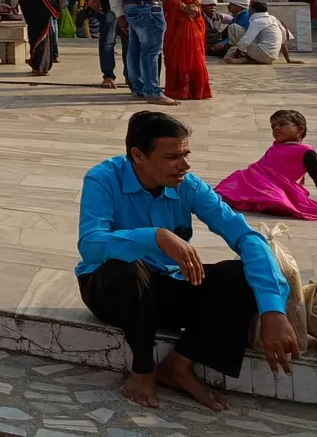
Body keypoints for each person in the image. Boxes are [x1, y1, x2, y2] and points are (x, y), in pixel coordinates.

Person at [77, 110, 300, 411]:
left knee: (240, 275)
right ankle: (143, 369)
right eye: (172, 157)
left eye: (186, 153)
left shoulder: (188, 184)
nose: (184, 164)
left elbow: (246, 237)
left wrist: (273, 309)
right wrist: (155, 236)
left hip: (165, 285)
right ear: (138, 156)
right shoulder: (103, 178)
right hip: (113, 291)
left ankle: (178, 367)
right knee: (125, 267)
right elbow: (91, 245)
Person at [216, 110, 317, 221]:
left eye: (282, 124)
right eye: (273, 127)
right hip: (255, 179)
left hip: (278, 186)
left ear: (300, 129)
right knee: (235, 180)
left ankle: (269, 204)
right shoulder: (275, 147)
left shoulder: (306, 152)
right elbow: (261, 167)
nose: (276, 128)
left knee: (275, 197)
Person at [161, 0, 212, 101]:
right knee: (175, 53)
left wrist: (196, 4)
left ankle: (197, 90)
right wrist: (178, 5)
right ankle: (178, 90)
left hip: (194, 16)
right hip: (174, 16)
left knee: (196, 53)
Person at [224, 0, 297, 65]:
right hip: (272, 58)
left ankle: (245, 58)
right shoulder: (273, 18)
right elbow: (282, 41)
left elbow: (246, 41)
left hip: (262, 55)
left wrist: (236, 55)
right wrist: (288, 60)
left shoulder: (257, 21)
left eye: (249, 9)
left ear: (253, 10)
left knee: (233, 27)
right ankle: (248, 59)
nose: (248, 11)